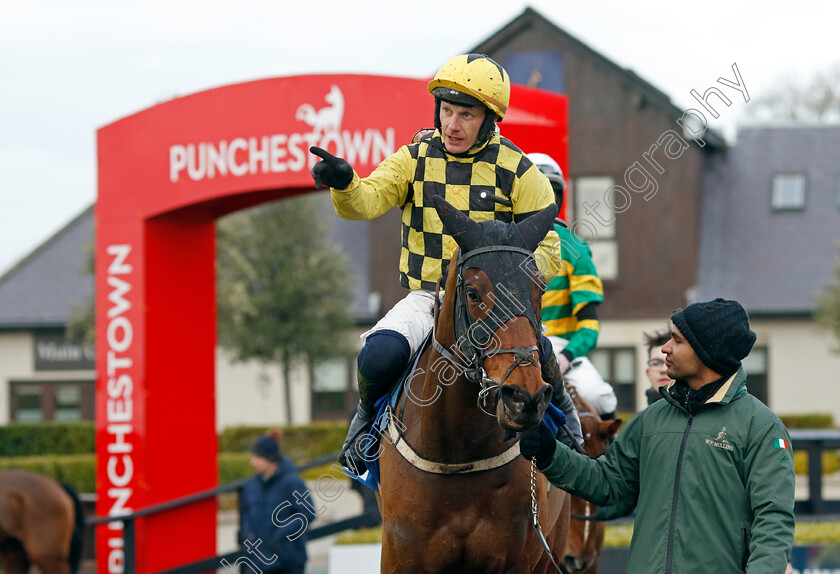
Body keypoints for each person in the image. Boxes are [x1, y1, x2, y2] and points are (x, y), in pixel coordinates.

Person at [309, 53, 583, 473]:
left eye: (466, 115)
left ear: (490, 119)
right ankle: (364, 421)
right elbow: (365, 202)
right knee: (378, 356)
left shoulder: (521, 170)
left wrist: (508, 287)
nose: (452, 125)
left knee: (541, 354)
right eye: (447, 110)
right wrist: (346, 184)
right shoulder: (413, 158)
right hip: (429, 298)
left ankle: (568, 426)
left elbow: (549, 249)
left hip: (496, 304)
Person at [520, 298, 795, 573]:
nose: (665, 349)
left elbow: (773, 521)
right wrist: (550, 453)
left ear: (707, 352)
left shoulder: (761, 427)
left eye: (677, 340)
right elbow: (608, 483)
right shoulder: (650, 420)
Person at [530, 153, 617, 419]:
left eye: (549, 194)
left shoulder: (575, 248)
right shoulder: (502, 245)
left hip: (557, 347)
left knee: (600, 399)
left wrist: (567, 355)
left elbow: (589, 325)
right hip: (506, 349)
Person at [239, 432, 315, 574]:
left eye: (258, 457)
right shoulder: (250, 486)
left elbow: (308, 513)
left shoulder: (293, 483)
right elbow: (246, 515)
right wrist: (248, 536)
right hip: (258, 563)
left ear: (270, 458)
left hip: (289, 562)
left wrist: (281, 534)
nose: (253, 462)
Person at [643, 328, 672, 405]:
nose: (663, 370)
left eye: (669, 362)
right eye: (655, 363)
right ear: (648, 373)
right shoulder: (643, 416)